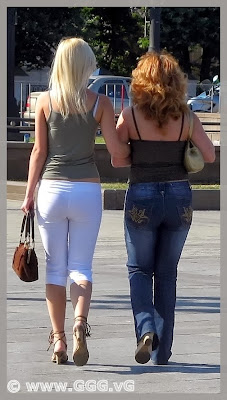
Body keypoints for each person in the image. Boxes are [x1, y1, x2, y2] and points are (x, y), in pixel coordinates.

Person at [21, 37, 130, 366]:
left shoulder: (45, 102)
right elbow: (116, 152)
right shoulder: (100, 104)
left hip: (51, 191)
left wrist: (28, 195)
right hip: (86, 190)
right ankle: (80, 323)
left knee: (55, 268)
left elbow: (39, 152)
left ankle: (58, 341)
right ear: (85, 66)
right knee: (81, 267)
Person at [112, 51, 215, 365]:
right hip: (179, 197)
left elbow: (117, 159)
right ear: (176, 82)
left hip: (141, 194)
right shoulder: (186, 116)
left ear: (141, 82)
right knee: (167, 274)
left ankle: (146, 328)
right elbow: (209, 155)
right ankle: (162, 352)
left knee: (139, 269)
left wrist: (139, 155)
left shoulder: (130, 116)